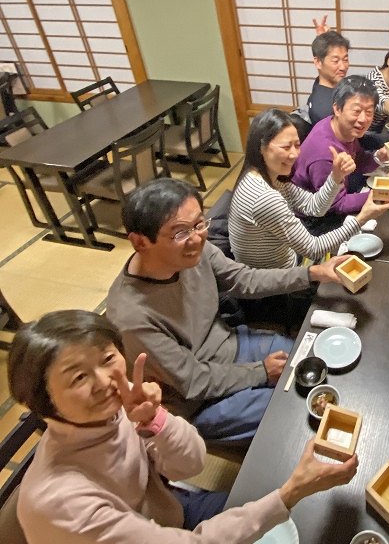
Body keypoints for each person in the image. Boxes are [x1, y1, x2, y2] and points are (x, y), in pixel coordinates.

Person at [9, 310, 358, 544]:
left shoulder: (108, 414)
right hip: (166, 530)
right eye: (79, 377)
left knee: (292, 522)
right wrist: (289, 492)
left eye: (107, 358)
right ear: (42, 401)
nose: (105, 381)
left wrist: (155, 420)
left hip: (172, 508)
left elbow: (190, 465)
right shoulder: (61, 502)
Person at [105, 178, 351, 442]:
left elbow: (243, 280)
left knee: (317, 365)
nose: (197, 237)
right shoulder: (132, 316)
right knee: (294, 409)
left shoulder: (195, 249)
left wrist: (312, 273)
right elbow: (192, 381)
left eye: (200, 224)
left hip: (233, 345)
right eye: (180, 232)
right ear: (140, 242)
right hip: (198, 400)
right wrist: (260, 372)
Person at [229, 108, 389, 270]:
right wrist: (362, 218)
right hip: (277, 279)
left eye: (297, 145)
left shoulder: (270, 176)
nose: (294, 154)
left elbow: (314, 207)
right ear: (261, 147)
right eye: (286, 147)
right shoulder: (264, 197)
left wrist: (336, 176)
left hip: (290, 255)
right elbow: (312, 248)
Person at [292, 75, 389, 234]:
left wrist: (380, 156)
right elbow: (336, 204)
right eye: (356, 111)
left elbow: (359, 160)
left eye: (369, 111)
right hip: (314, 222)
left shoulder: (338, 127)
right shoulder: (325, 152)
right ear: (337, 108)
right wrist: (383, 191)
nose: (363, 119)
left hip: (337, 199)